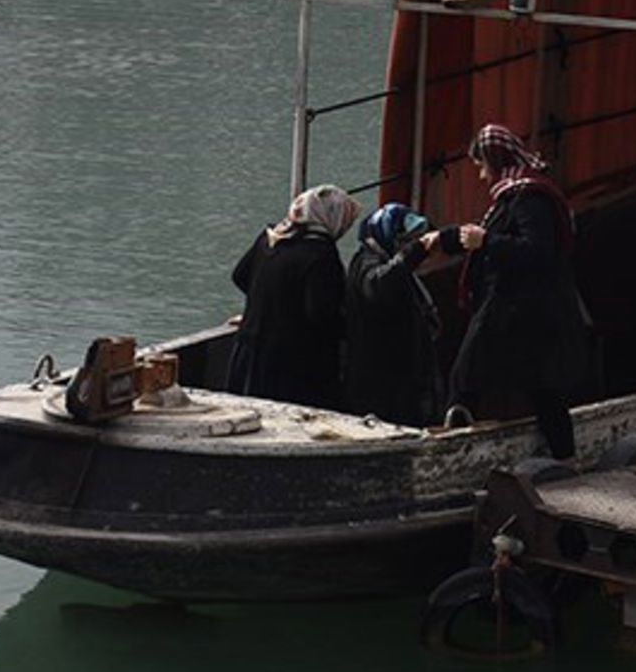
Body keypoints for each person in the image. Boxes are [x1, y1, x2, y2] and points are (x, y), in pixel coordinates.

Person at [444, 124, 596, 460]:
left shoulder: (529, 197)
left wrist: (487, 241)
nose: (483, 176)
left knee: (474, 374)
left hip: (523, 309)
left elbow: (538, 250)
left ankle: (448, 450)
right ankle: (564, 457)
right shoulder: (514, 195)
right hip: (516, 308)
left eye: (483, 166)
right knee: (534, 384)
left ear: (497, 161)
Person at [226, 184, 360, 409]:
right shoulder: (321, 254)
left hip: (248, 351)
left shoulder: (270, 237)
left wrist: (263, 310)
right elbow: (320, 314)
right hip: (290, 365)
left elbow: (240, 276)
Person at [342, 202, 442, 426]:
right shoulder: (366, 262)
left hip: (396, 368)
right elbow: (378, 285)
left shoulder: (381, 259)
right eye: (404, 240)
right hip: (378, 372)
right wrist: (411, 254)